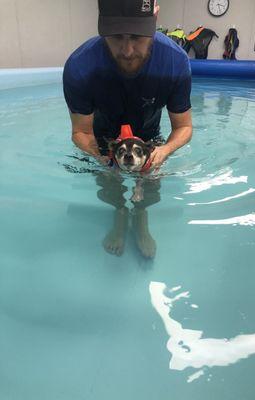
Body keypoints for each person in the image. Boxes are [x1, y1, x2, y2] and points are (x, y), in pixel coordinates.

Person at [63, 0, 193, 258]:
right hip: (102, 139)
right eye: (115, 37)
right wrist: (101, 158)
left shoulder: (174, 62)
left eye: (137, 36)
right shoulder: (80, 66)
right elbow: (81, 132)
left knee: (151, 181)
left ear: (155, 16)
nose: (127, 50)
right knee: (109, 183)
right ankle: (119, 217)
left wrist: (164, 150)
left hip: (150, 138)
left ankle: (141, 219)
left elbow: (184, 127)